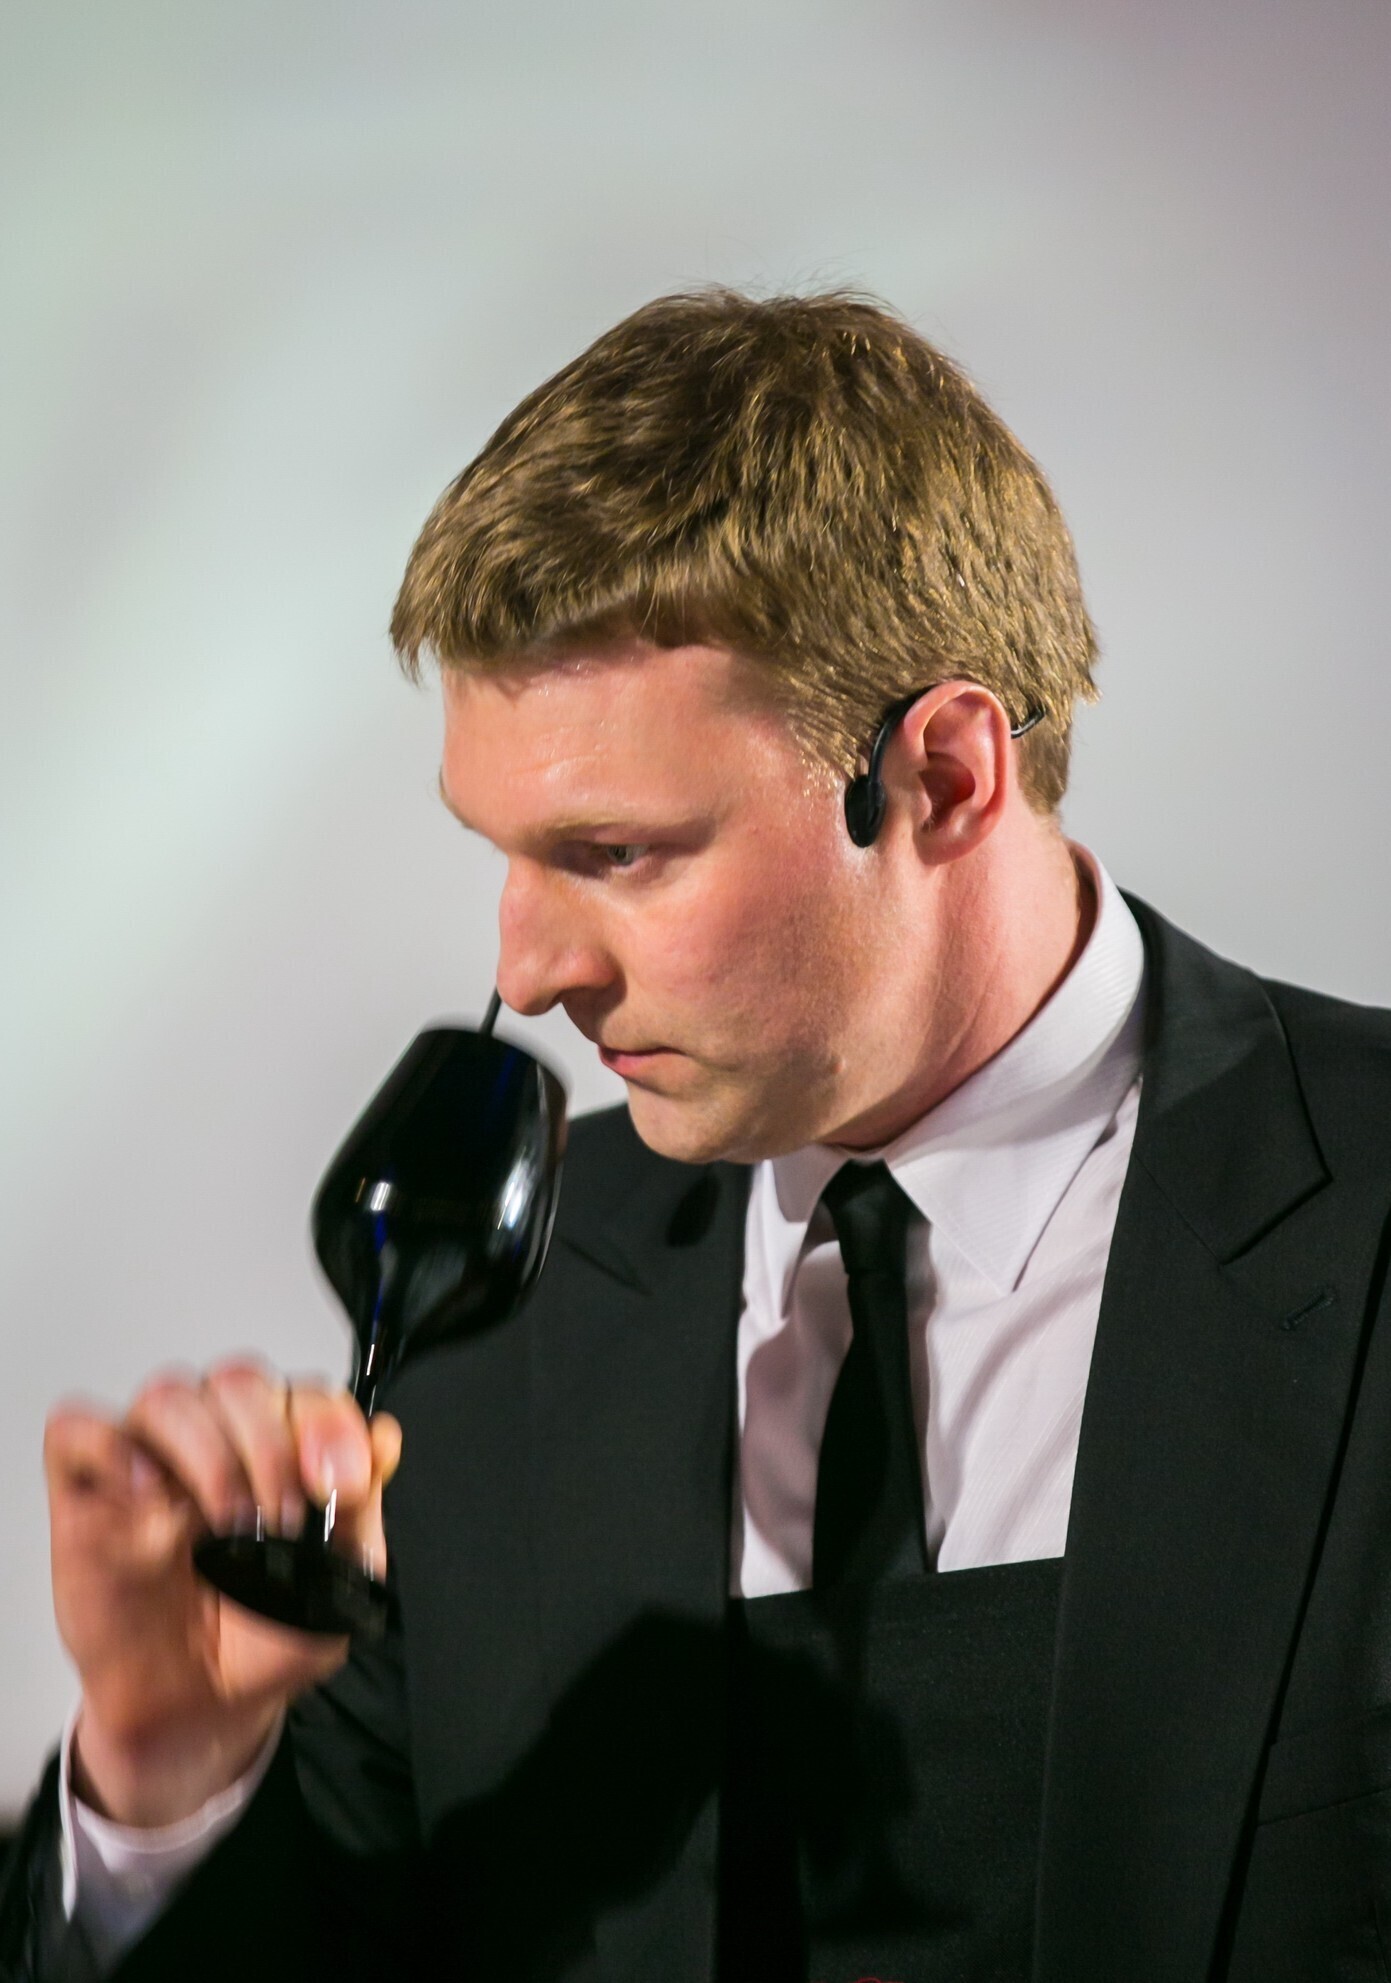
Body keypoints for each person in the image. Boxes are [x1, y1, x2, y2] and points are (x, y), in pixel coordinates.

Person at [3, 289, 1390, 1983]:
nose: (527, 973)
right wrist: (163, 1789)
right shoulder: (489, 1327)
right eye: (503, 852)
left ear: (949, 776)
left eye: (620, 854)